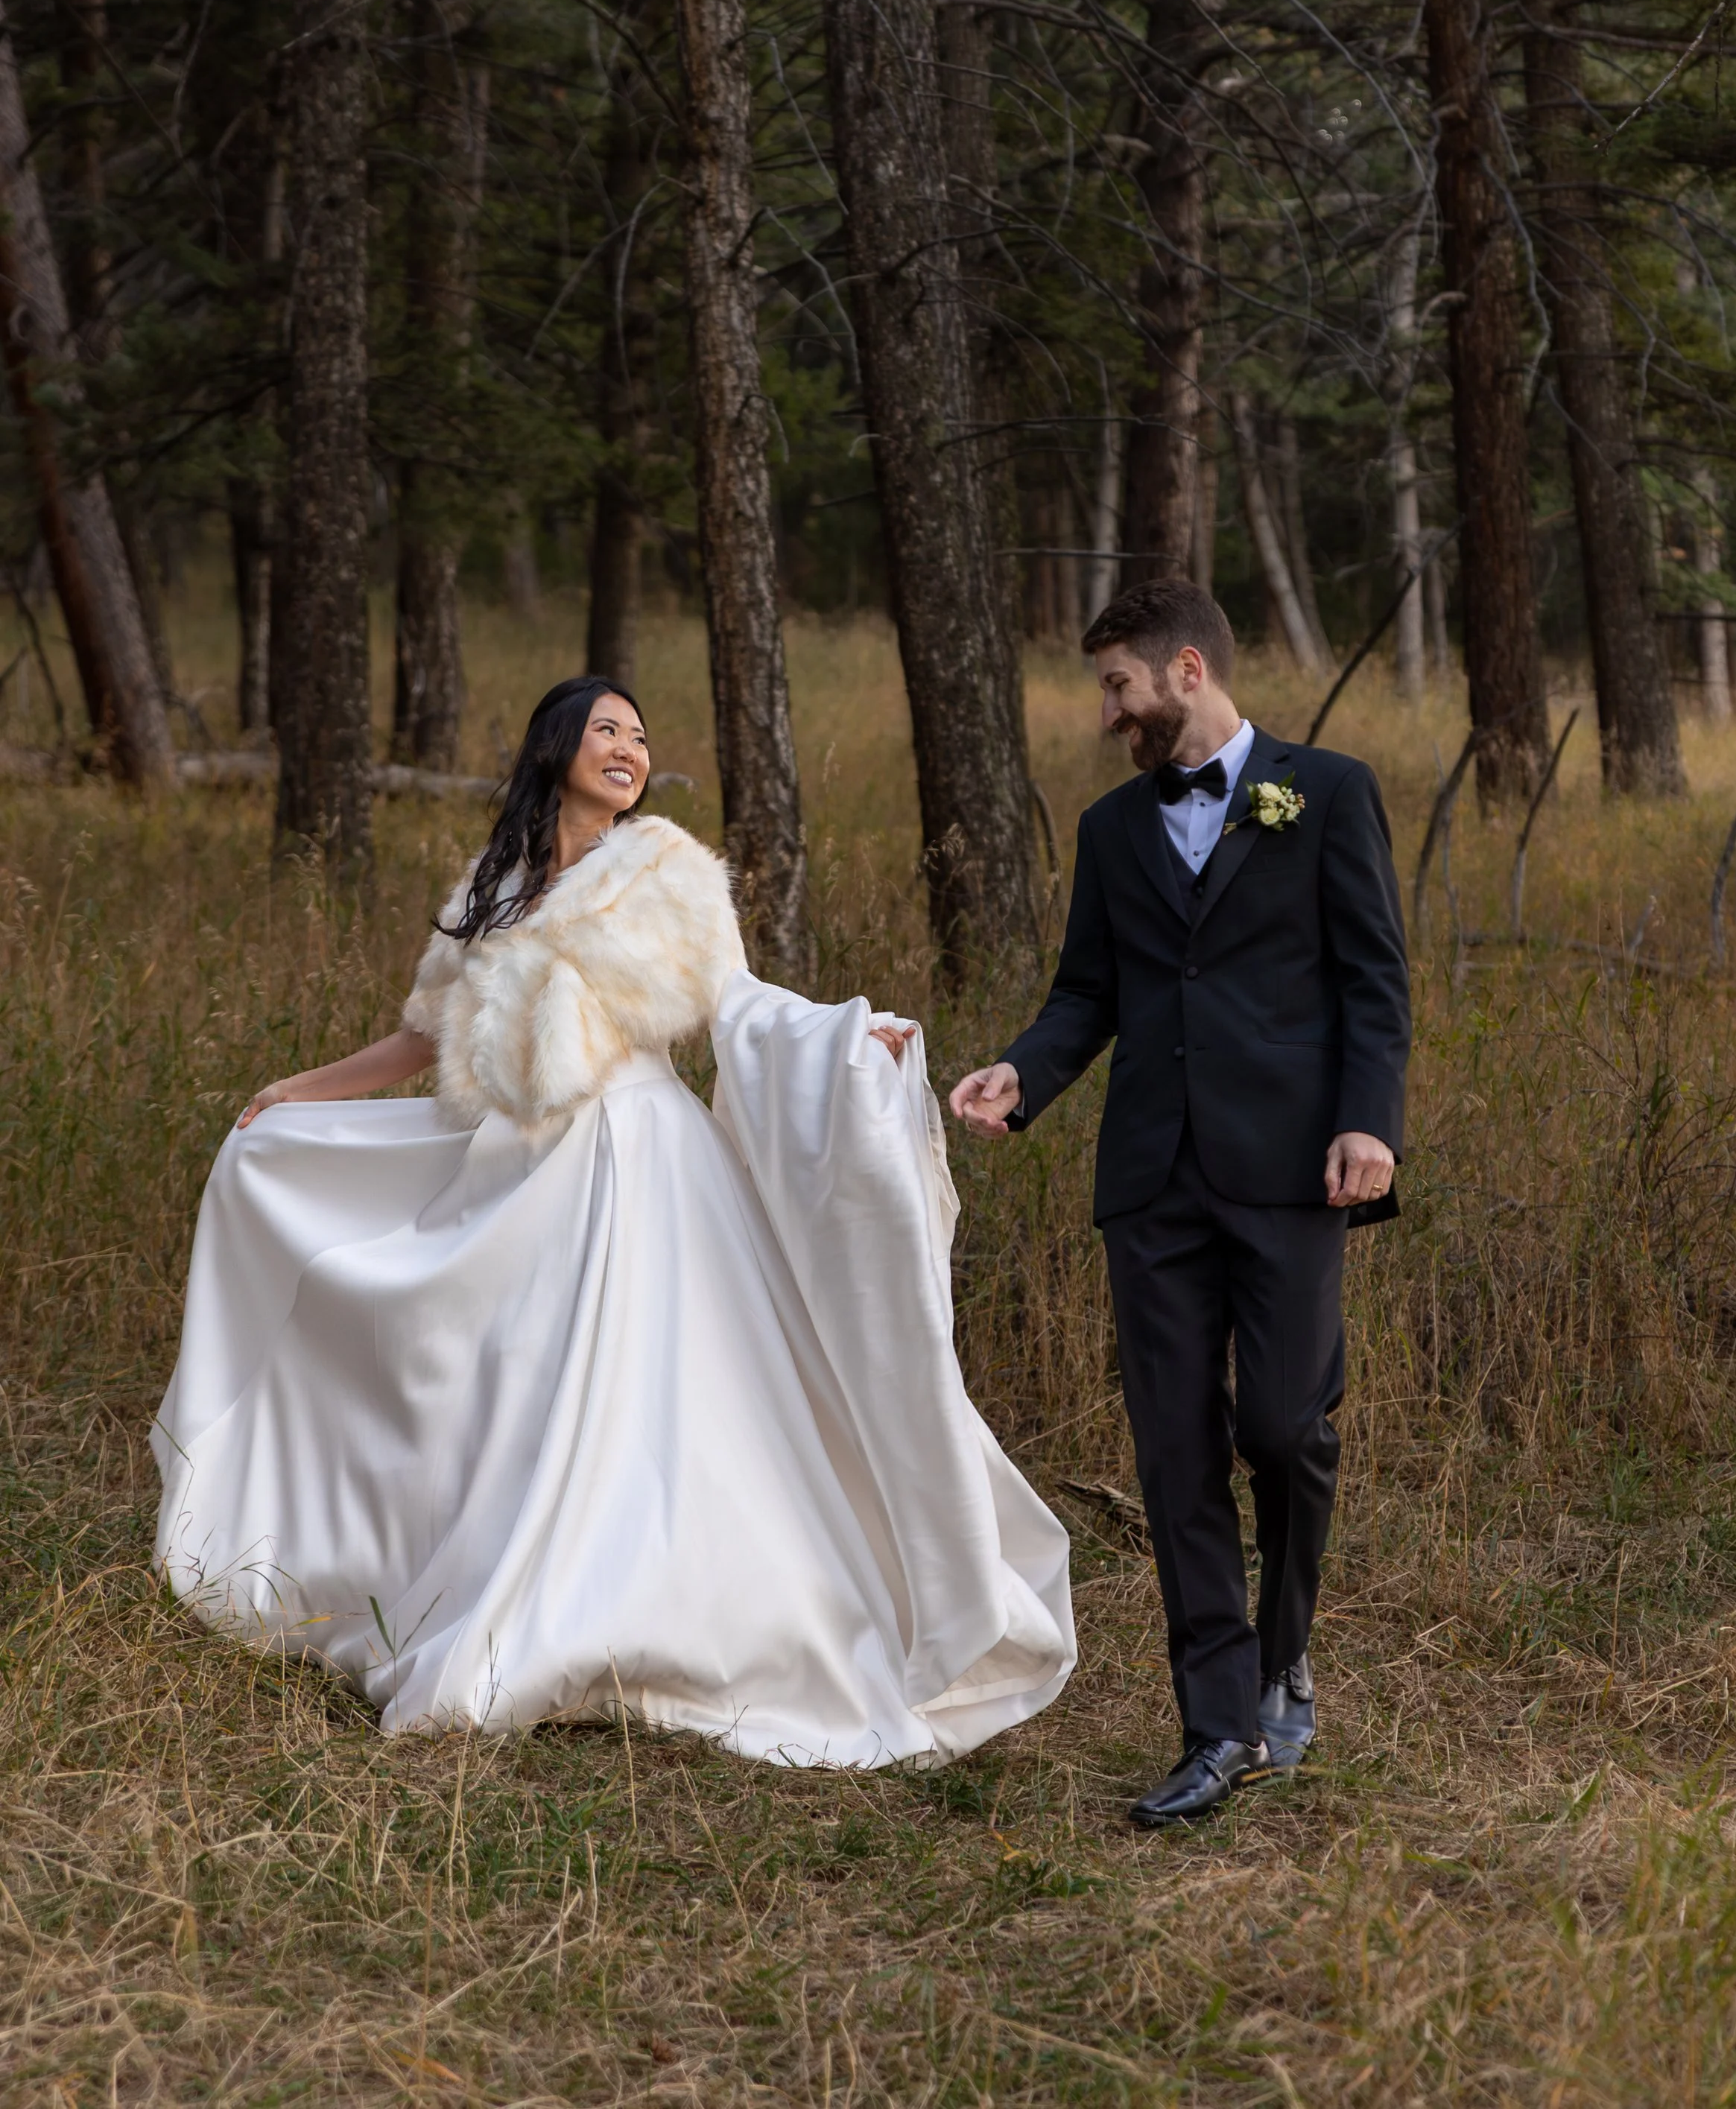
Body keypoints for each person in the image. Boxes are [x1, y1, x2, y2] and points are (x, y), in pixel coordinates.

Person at [154, 676, 1074, 1763]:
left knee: (636, 1388)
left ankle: (626, 1607)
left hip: (634, 1157)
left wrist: (847, 1037)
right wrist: (301, 1088)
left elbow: (739, 1001)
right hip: (514, 1161)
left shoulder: (671, 872)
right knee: (493, 1371)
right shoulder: (492, 882)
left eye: (641, 735)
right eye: (608, 729)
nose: (631, 748)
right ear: (558, 745)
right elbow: (421, 1036)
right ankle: (456, 1570)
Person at [950, 581, 1409, 1827]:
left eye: (1118, 686)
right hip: (1152, 1183)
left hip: (1293, 1172)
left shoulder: (1329, 793)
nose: (1108, 713)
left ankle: (1285, 1652)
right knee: (1175, 1453)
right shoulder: (1110, 831)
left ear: (1187, 669)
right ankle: (1217, 1730)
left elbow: (1375, 978)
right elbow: (1085, 994)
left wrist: (1370, 1121)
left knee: (1283, 1428)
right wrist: (1022, 1072)